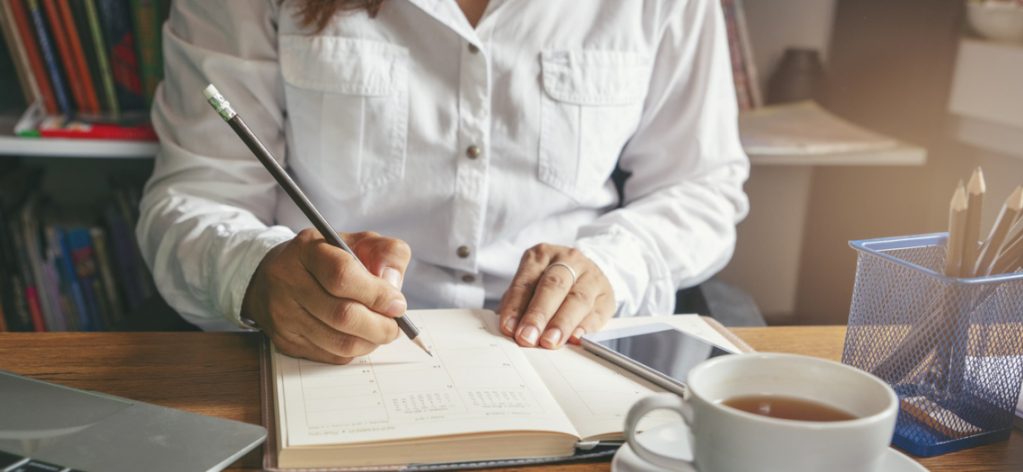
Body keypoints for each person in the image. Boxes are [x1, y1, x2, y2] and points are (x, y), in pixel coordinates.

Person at [138, 0, 749, 364]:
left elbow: (702, 186)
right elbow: (194, 196)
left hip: (567, 357)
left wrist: (614, 266)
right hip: (315, 356)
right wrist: (254, 271)